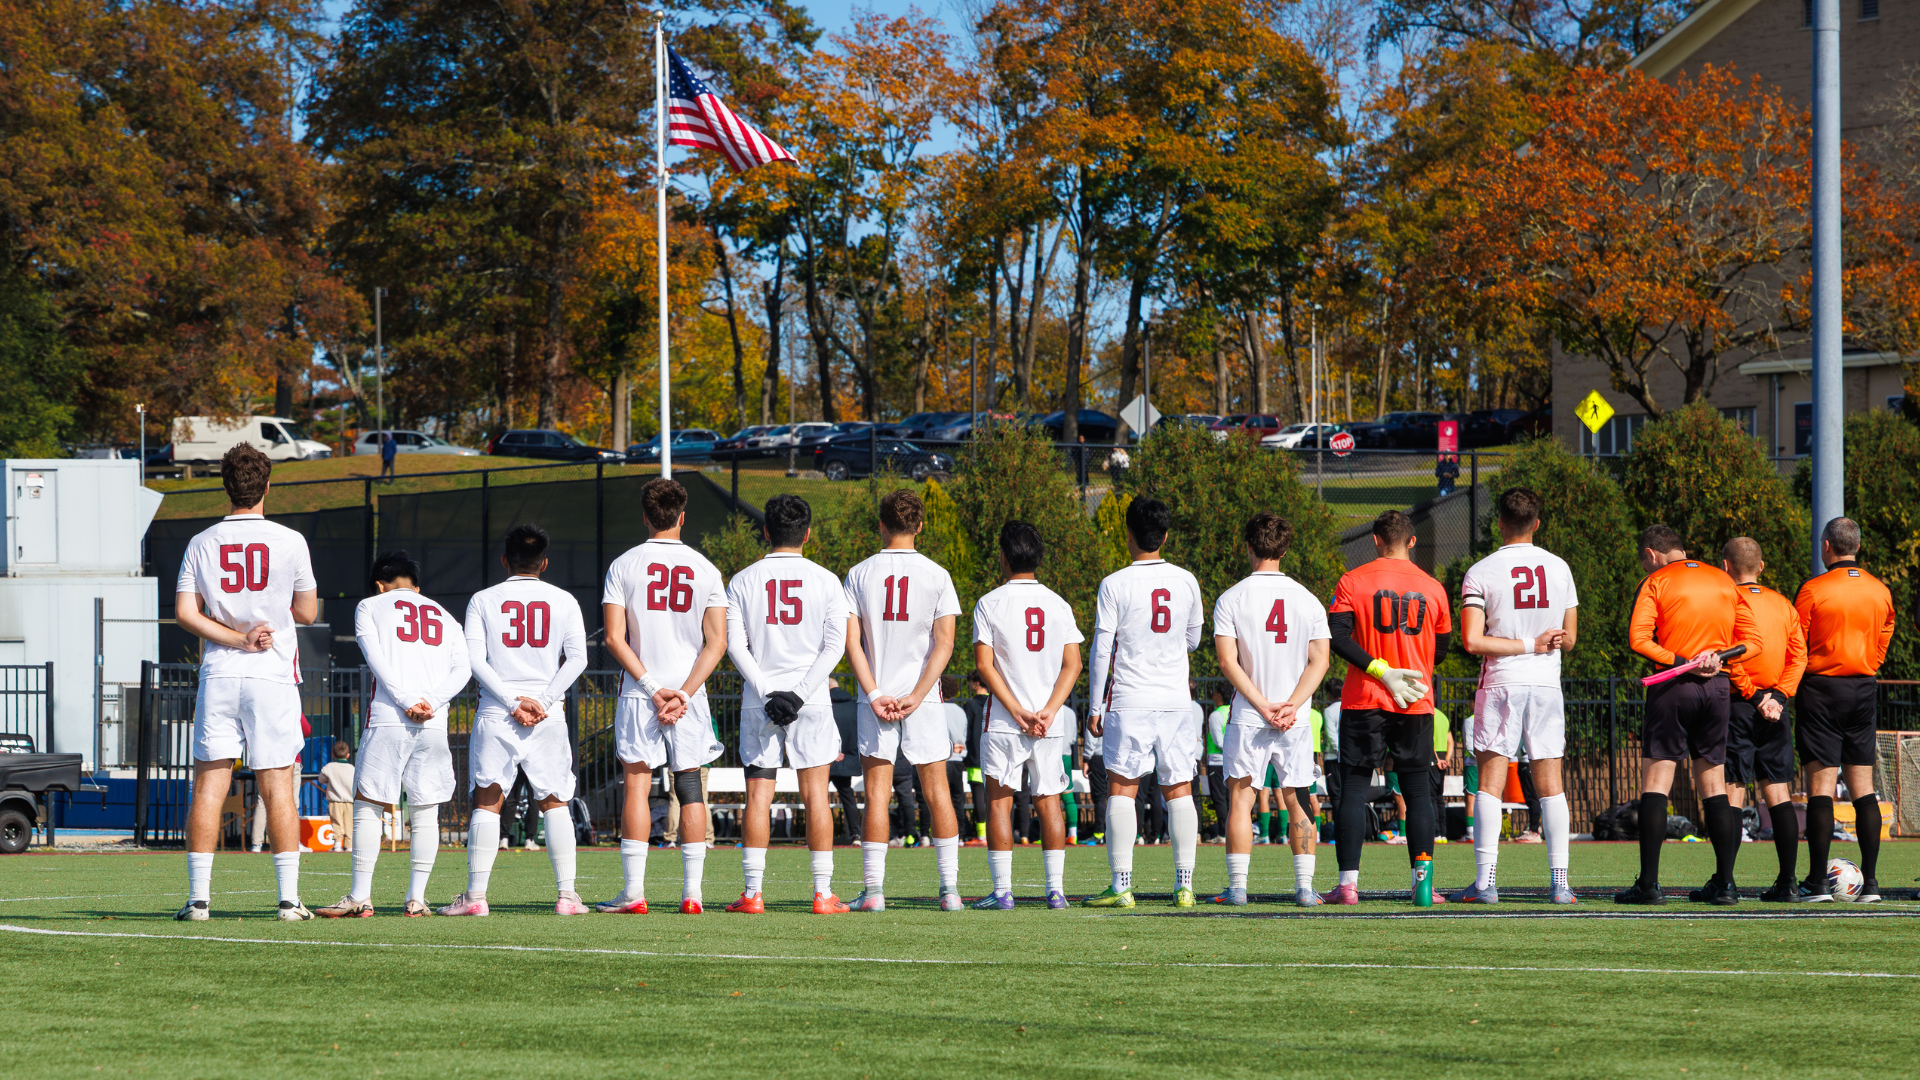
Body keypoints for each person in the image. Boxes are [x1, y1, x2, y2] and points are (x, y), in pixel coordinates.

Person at [172, 444, 320, 921]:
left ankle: (198, 901)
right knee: (278, 785)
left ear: (225, 485)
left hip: (219, 671)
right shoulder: (291, 539)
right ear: (268, 486)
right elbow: (307, 611)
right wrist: (264, 625)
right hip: (271, 674)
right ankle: (288, 900)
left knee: (208, 788)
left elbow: (184, 614)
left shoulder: (201, 541)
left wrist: (236, 637)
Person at [594, 479, 730, 914]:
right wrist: (683, 694)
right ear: (682, 516)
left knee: (636, 786)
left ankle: (634, 893)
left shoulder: (624, 565)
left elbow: (615, 639)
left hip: (640, 693)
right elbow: (717, 643)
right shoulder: (706, 568)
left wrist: (654, 690)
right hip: (689, 698)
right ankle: (693, 896)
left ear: (646, 516)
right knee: (690, 789)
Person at [438, 525, 589, 917]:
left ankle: (474, 898)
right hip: (547, 714)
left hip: (497, 712)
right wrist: (542, 700)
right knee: (555, 802)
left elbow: (474, 659)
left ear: (505, 560)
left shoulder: (483, 600)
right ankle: (567, 897)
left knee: (487, 803)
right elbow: (578, 659)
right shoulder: (564, 600)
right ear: (545, 562)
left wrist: (510, 701)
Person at [320, 550, 471, 917]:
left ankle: (360, 896)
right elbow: (463, 670)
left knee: (368, 804)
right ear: (416, 586)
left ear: (378, 584)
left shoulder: (370, 607)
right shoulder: (446, 617)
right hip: (433, 721)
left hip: (389, 717)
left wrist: (405, 700)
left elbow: (376, 659)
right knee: (425, 812)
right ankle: (417, 899)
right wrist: (429, 702)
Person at [724, 494, 852, 914]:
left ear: (765, 531)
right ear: (808, 534)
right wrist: (798, 694)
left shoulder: (742, 580)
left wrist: (767, 694)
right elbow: (835, 647)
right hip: (811, 701)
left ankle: (752, 894)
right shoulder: (827, 580)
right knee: (817, 796)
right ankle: (822, 894)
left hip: (759, 702)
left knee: (758, 796)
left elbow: (734, 646)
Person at [1618, 525, 1758, 905]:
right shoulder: (1723, 579)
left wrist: (1684, 663)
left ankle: (1648, 885)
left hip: (1673, 686)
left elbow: (1639, 639)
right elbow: (1752, 642)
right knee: (1713, 785)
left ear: (1651, 555)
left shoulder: (1656, 582)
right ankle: (1726, 885)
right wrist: (1716, 659)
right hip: (1717, 688)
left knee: (1657, 781)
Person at [1451, 486, 1579, 904]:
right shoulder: (1559, 567)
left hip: (1504, 680)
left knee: (1489, 783)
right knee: (1551, 785)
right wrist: (1542, 643)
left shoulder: (1482, 570)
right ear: (1537, 523)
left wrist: (1526, 645)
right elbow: (1571, 638)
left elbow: (1471, 641)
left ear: (1499, 524)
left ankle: (1486, 883)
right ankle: (1560, 883)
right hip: (1545, 684)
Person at [842, 489, 964, 910]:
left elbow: (851, 643)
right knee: (938, 792)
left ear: (881, 524)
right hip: (923, 699)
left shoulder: (858, 573)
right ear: (921, 525)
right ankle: (950, 891)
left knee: (876, 794)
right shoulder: (938, 574)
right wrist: (916, 694)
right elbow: (944, 645)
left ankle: (874, 892)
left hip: (874, 698)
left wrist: (876, 693)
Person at [1325, 509, 1452, 904]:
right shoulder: (1434, 588)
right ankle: (1423, 884)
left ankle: (1347, 886)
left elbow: (1337, 637)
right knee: (1416, 792)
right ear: (1412, 542)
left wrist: (1380, 667)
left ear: (1375, 540)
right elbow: (1442, 650)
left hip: (1366, 697)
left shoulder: (1353, 580)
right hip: (1414, 698)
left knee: (1355, 788)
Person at [1084, 498, 1205, 908]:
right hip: (1175, 699)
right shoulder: (1187, 580)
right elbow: (1194, 639)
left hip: (1129, 698)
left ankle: (1121, 887)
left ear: (1128, 534)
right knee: (1179, 789)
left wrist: (1095, 705)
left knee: (1122, 789)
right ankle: (1184, 886)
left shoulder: (1115, 583)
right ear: (1165, 536)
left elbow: (1102, 650)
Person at [1209, 512, 1332, 906]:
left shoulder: (1231, 597)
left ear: (1248, 546)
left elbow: (1228, 662)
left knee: (1242, 799)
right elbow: (1321, 662)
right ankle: (1304, 889)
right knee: (1297, 797)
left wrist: (1262, 706)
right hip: (1293, 718)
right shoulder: (1308, 599)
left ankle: (1239, 888)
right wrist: (1291, 705)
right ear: (1285, 548)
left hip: (1249, 714)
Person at [971, 520, 1085, 908]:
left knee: (999, 800)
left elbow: (984, 666)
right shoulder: (1058, 603)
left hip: (1005, 719)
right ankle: (1056, 891)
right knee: (1049, 799)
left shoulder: (989, 602)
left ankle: (1003, 891)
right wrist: (1049, 710)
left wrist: (1017, 710)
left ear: (1003, 556)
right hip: (1048, 721)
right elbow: (1074, 664)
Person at [1793, 517, 1896, 902]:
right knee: (1863, 788)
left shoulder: (1813, 589)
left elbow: (1796, 642)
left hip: (1820, 688)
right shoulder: (1880, 590)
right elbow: (1886, 633)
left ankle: (1817, 882)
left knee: (1820, 788)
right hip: (1863, 687)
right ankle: (1870, 884)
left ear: (1826, 547)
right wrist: (1870, 662)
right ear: (1857, 546)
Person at [1713, 537, 1807, 902]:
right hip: (1776, 708)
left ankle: (1725, 883)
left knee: (1734, 790)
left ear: (1724, 567)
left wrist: (1754, 696)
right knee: (1778, 791)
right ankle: (1788, 883)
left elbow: (1729, 657)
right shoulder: (1784, 604)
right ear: (1761, 567)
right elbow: (1799, 656)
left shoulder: (1726, 602)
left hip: (1740, 704)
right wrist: (1780, 697)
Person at [940, 677, 973, 841]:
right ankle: (961, 834)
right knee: (957, 798)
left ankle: (943, 834)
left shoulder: (937, 709)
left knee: (940, 798)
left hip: (941, 758)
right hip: (958, 759)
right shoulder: (960, 711)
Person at [1203, 687, 1230, 842]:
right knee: (1229, 798)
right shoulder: (1233, 711)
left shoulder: (1216, 715)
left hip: (1217, 761)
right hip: (1231, 761)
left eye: (1213, 692)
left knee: (1219, 798)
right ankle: (1229, 832)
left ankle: (1223, 834)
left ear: (1219, 694)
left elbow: (1218, 741)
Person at [320, 741, 355, 852]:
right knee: (349, 823)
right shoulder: (352, 768)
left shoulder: (329, 767)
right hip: (349, 801)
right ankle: (349, 845)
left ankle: (337, 844)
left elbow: (321, 779)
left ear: (333, 755)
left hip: (335, 800)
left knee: (336, 822)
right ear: (348, 755)